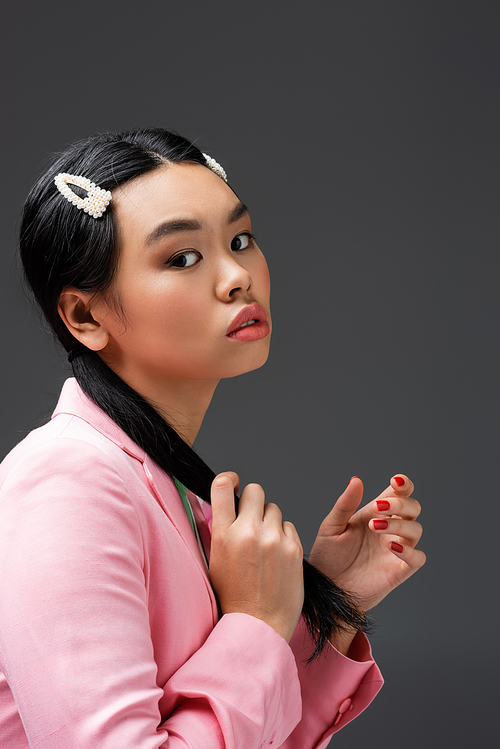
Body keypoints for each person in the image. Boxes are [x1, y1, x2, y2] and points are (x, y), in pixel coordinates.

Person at [0, 128, 425, 749]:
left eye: (241, 240)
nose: (236, 277)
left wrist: (329, 604)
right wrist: (254, 620)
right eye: (182, 258)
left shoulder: (164, 483)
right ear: (85, 316)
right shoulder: (65, 486)